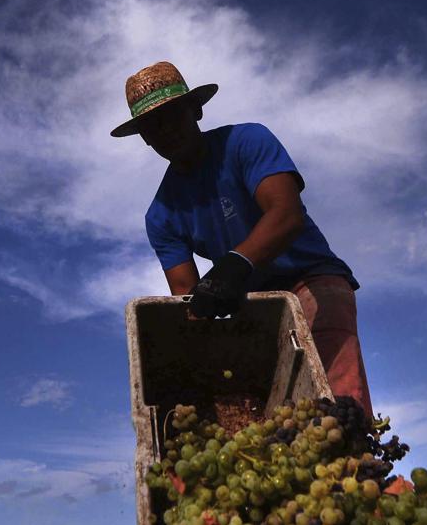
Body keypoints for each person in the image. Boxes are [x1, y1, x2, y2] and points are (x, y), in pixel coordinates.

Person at [110, 61, 373, 417]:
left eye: (173, 115)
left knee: (338, 407)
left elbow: (286, 213)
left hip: (310, 279)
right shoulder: (161, 215)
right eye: (152, 126)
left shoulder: (246, 141)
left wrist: (232, 266)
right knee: (268, 410)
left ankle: (355, 453)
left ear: (196, 110)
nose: (164, 130)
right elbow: (187, 297)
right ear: (144, 137)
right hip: (253, 306)